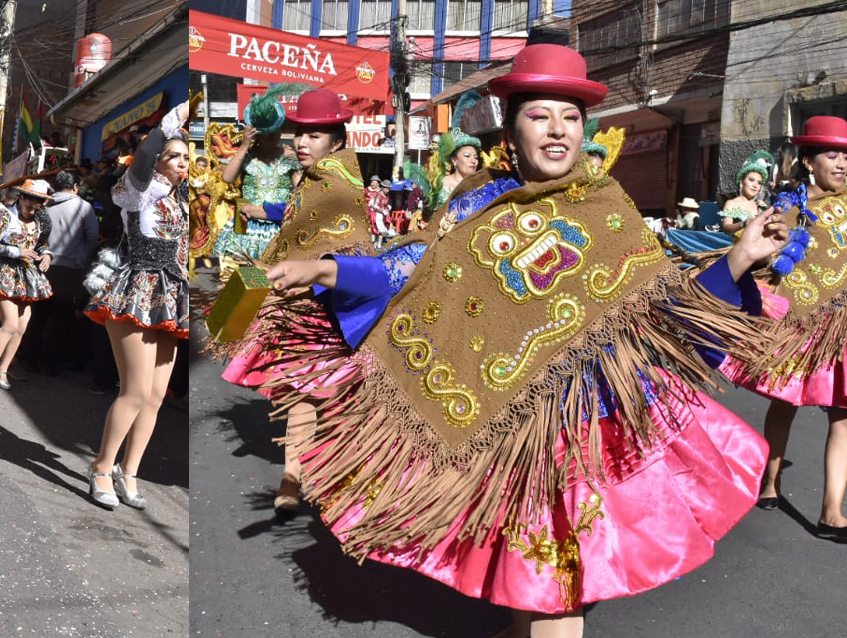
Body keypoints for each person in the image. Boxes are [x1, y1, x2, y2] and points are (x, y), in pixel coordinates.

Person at [262, 44, 786, 637]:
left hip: (596, 425)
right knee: (545, 589)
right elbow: (407, 271)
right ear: (511, 129)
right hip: (509, 428)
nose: (558, 130)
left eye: (570, 117)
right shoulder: (472, 206)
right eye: (540, 115)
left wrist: (741, 256)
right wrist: (325, 270)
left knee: (561, 591)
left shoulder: (607, 207)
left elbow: (667, 313)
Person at [211, 88, 378, 512]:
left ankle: (321, 474)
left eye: (315, 135)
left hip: (331, 307)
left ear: (336, 140)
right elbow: (292, 230)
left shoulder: (339, 179)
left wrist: (315, 275)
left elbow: (349, 243)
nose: (302, 143)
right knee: (304, 393)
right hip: (302, 303)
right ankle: (293, 476)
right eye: (299, 133)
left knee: (327, 395)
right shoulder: (313, 176)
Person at [719, 115, 847, 542]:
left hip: (843, 327)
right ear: (810, 162)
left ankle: (832, 511)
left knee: (843, 416)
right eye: (833, 155)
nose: (843, 163)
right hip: (801, 325)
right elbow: (766, 266)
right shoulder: (789, 211)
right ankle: (771, 481)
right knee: (785, 403)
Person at [84, 102, 190, 511]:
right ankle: (100, 466)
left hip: (171, 295)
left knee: (157, 395)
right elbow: (144, 159)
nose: (181, 163)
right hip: (136, 287)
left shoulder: (182, 203)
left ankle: (129, 472)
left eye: (185, 157)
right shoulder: (137, 190)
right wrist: (166, 126)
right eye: (173, 156)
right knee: (135, 389)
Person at [212, 85, 302, 273]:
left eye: (276, 131)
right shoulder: (247, 155)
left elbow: (301, 193)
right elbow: (227, 177)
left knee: (274, 283)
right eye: (267, 134)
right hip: (246, 225)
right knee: (244, 281)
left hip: (278, 226)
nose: (273, 137)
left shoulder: (290, 157)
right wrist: (244, 145)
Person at [0, 176, 53, 390]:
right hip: (4, 271)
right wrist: (16, 251)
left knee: (21, 327)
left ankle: (3, 370)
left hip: (28, 275)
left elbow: (41, 244)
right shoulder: (1, 213)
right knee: (9, 323)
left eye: (37, 207)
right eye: (29, 205)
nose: (32, 211)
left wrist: (46, 255)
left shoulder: (41, 220)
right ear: (21, 197)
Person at [34, 170, 98, 374]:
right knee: (60, 317)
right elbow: (93, 238)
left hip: (41, 264)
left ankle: (30, 357)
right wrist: (83, 260)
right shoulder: (83, 207)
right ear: (76, 186)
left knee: (38, 314)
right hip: (69, 269)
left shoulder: (45, 204)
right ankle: (51, 363)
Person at [425, 91, 483, 226]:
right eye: (467, 156)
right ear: (454, 160)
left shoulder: (481, 186)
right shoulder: (440, 184)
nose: (473, 161)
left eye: (475, 157)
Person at [721, 150, 773, 235]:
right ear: (742, 181)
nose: (755, 185)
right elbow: (726, 227)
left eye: (759, 183)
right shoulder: (731, 203)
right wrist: (743, 224)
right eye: (751, 180)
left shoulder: (762, 206)